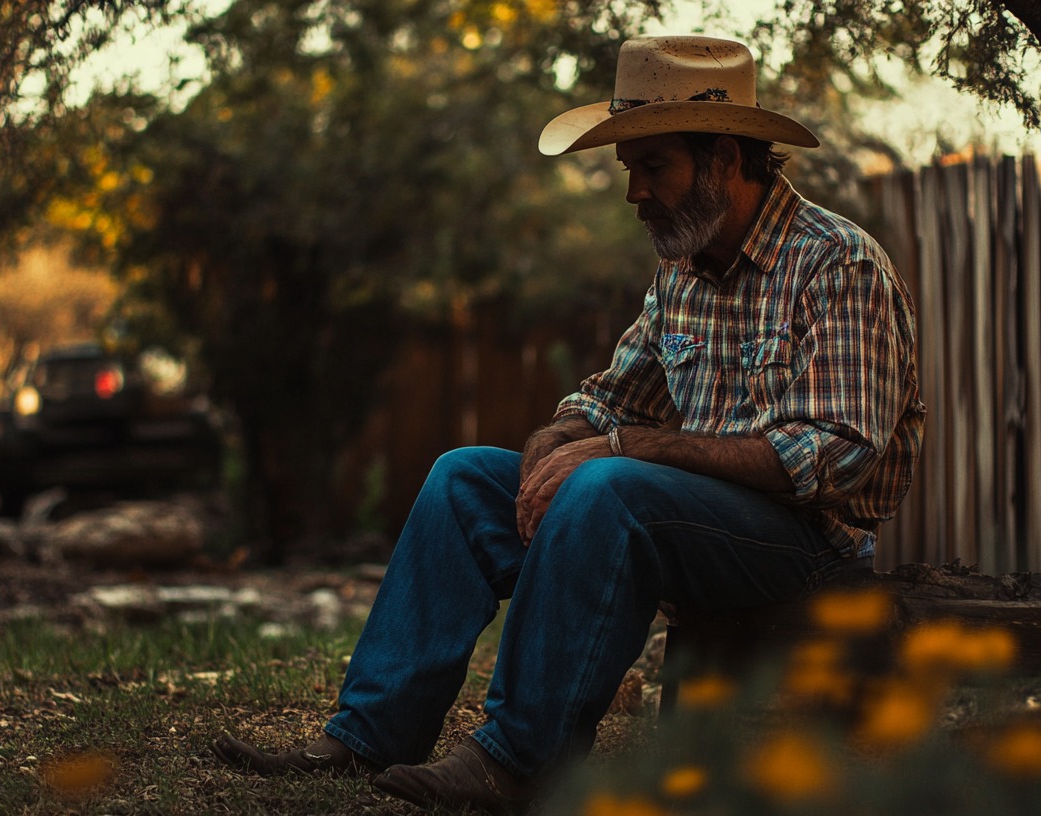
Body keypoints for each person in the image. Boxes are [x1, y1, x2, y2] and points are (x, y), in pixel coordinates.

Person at [212, 34, 925, 813]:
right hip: (675, 519)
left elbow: (834, 457)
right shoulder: (682, 273)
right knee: (463, 479)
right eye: (630, 173)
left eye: (653, 168)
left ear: (724, 157)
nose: (635, 194)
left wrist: (618, 450)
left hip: (807, 548)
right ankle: (368, 736)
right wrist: (556, 442)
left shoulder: (837, 264)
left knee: (609, 485)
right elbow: (612, 398)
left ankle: (520, 763)